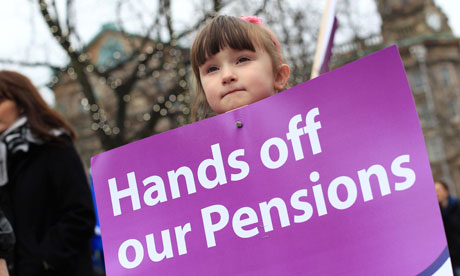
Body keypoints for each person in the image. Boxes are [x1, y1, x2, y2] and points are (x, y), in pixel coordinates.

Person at [0, 70, 96, 276]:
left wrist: (43, 261)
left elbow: (80, 214)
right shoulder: (2, 159)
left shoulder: (54, 146)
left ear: (22, 102)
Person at [191, 15, 290, 120]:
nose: (227, 76)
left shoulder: (305, 126)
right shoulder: (203, 137)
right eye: (212, 69)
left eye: (242, 60)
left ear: (278, 76)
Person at [435, 180, 460, 275]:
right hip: (450, 259)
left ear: (446, 191)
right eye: (435, 191)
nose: (437, 193)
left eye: (439, 190)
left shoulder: (457, 206)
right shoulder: (435, 214)